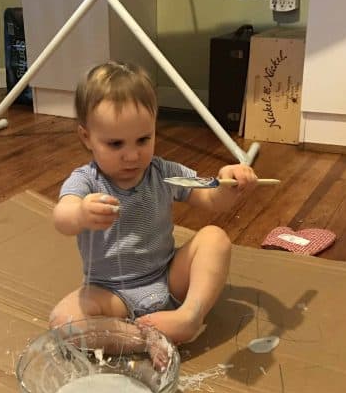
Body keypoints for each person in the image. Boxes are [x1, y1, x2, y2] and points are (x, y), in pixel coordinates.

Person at [50, 61, 258, 344]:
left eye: (143, 139)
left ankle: (189, 316)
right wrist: (81, 214)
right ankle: (140, 339)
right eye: (116, 144)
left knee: (215, 239)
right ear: (86, 138)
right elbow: (62, 216)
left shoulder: (164, 172)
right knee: (64, 321)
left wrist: (227, 183)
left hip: (169, 280)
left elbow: (211, 198)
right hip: (112, 296)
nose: (132, 155)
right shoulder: (86, 181)